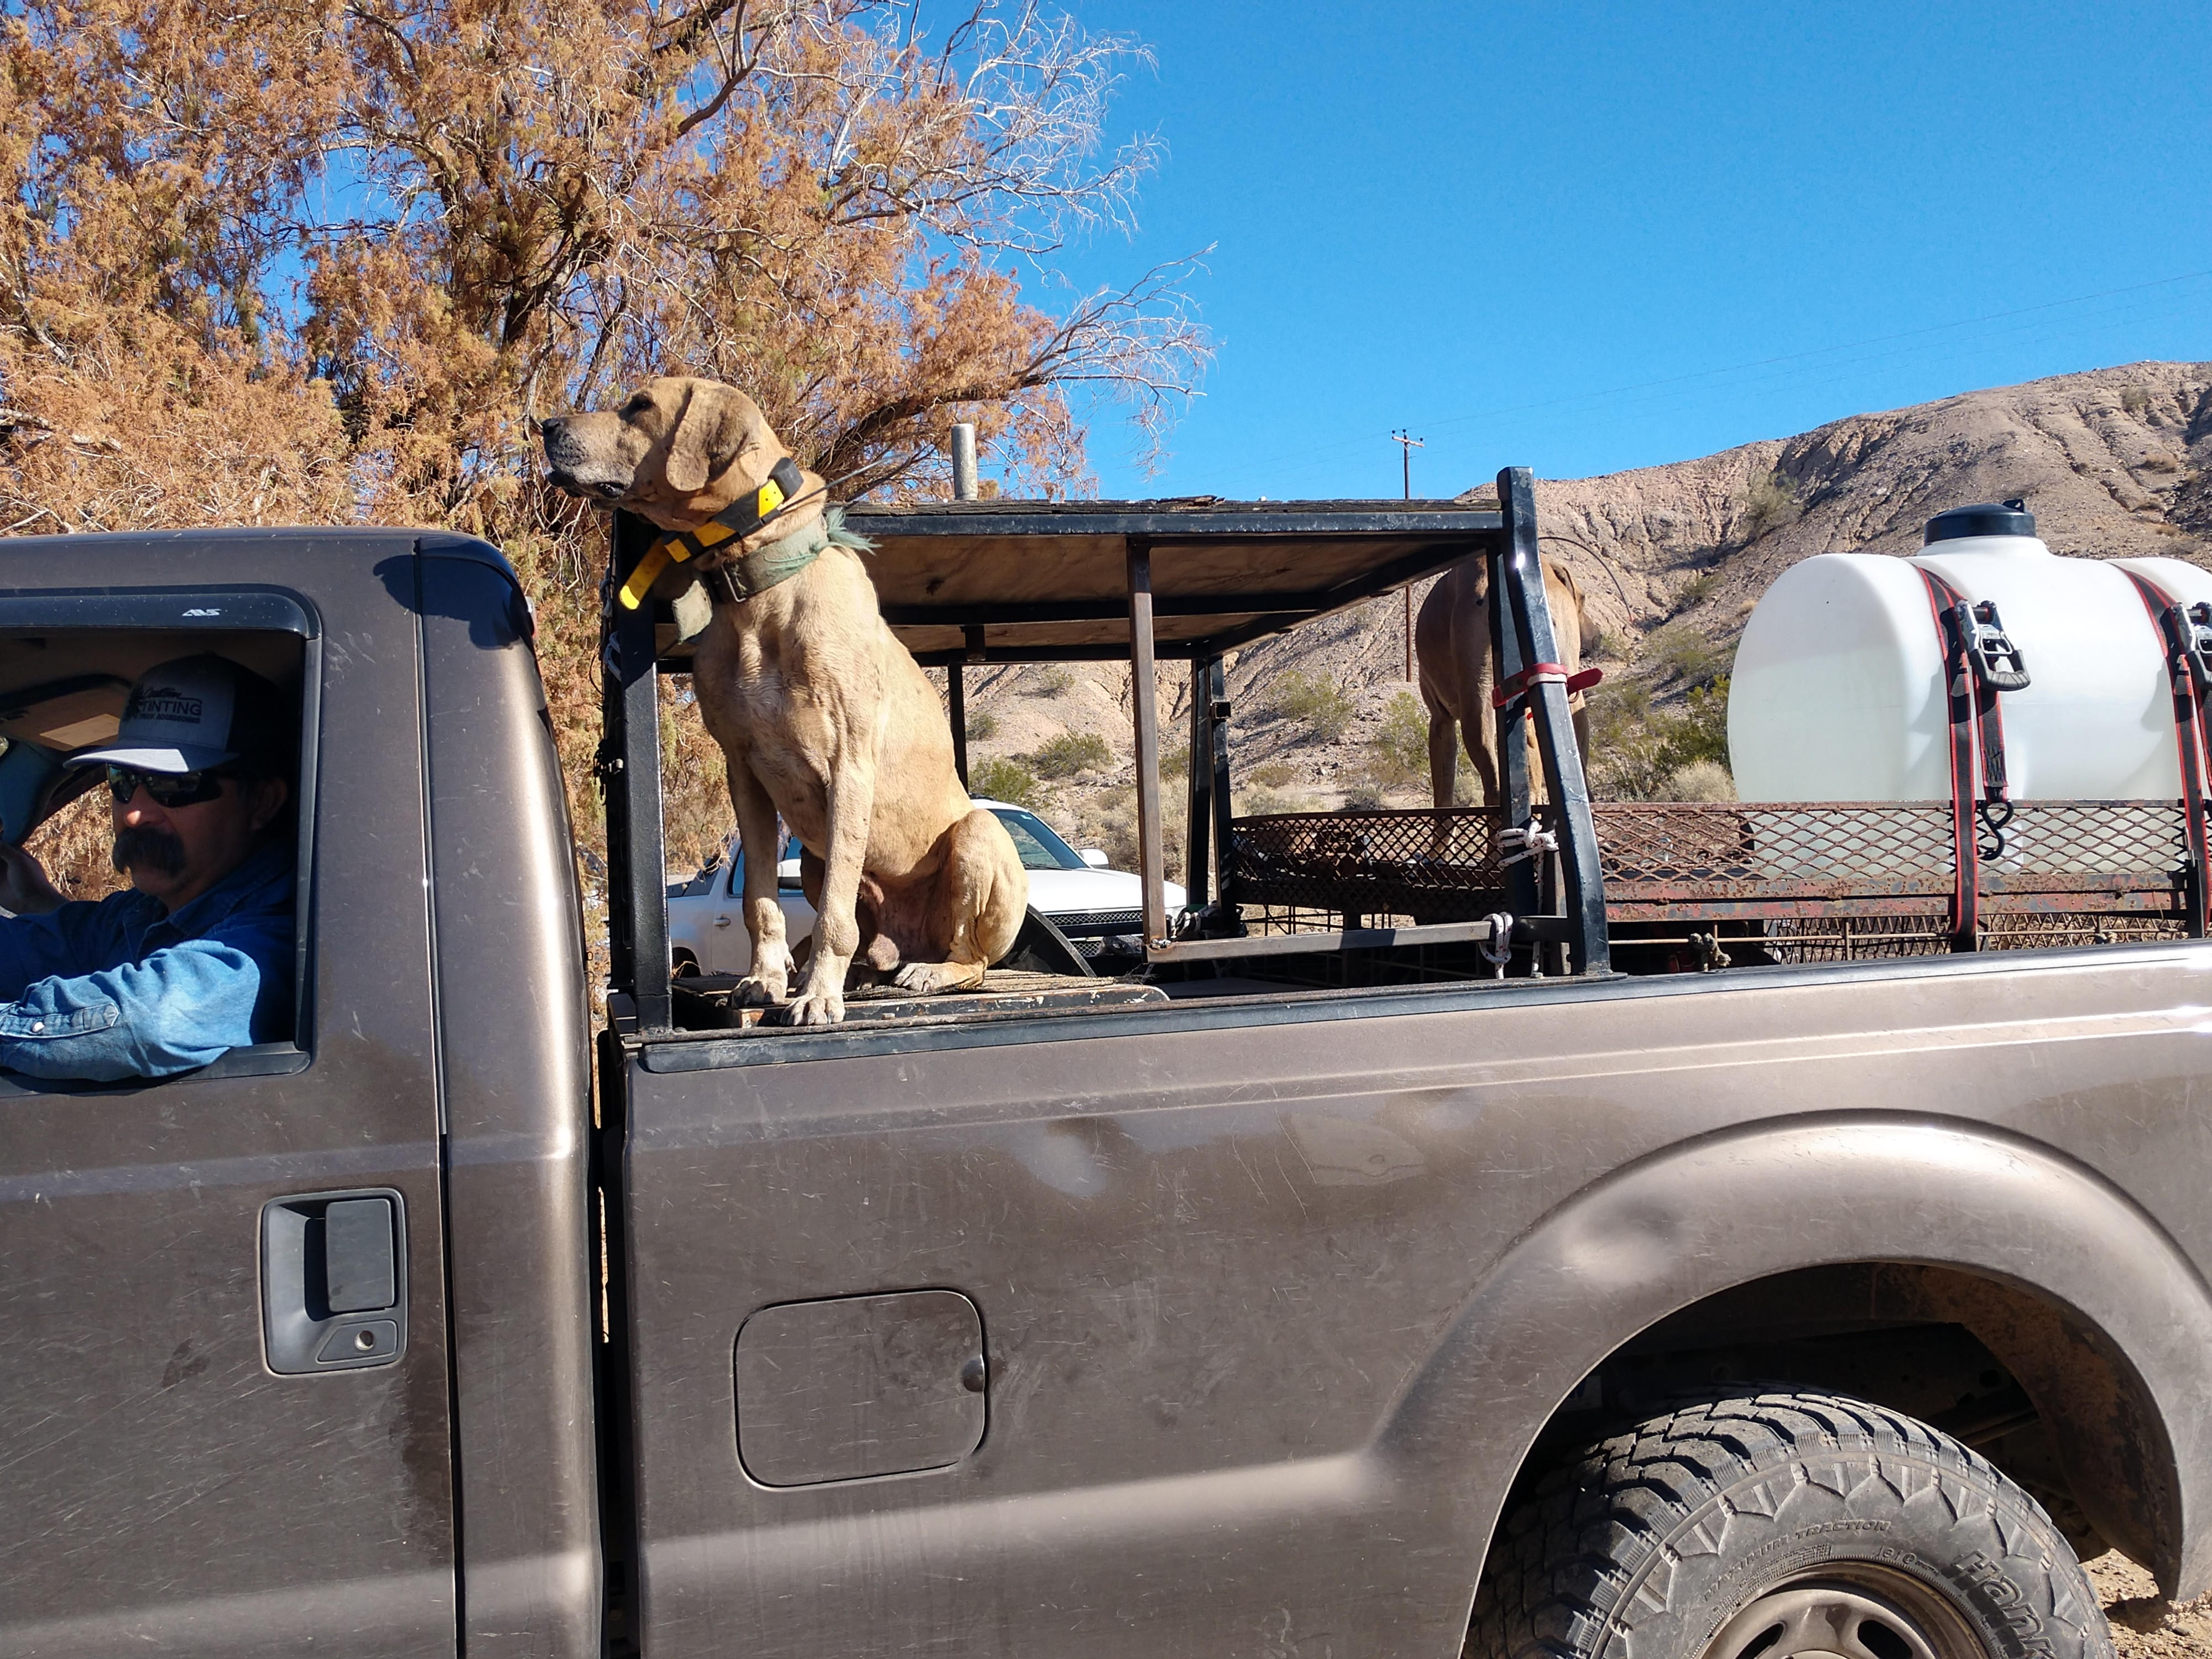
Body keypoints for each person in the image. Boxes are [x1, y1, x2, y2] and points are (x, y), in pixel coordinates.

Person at [0, 654, 296, 1081]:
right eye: (122, 780)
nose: (134, 814)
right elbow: (37, 947)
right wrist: (33, 900)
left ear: (263, 802)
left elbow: (153, 1021)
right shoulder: (141, 914)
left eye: (173, 785)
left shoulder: (282, 934)